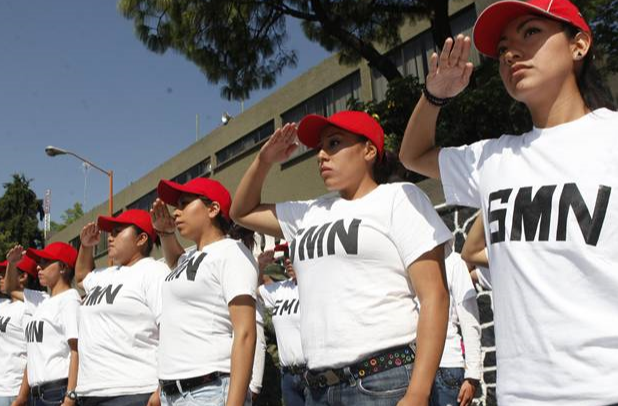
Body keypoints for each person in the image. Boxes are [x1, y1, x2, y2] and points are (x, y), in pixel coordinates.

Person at [398, 0, 618, 403]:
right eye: (502, 49)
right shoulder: (494, 158)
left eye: (530, 32)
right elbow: (412, 156)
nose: (511, 52)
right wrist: (435, 96)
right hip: (519, 394)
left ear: (579, 45)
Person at [231, 113, 452, 406]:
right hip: (318, 389)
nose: (322, 155)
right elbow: (241, 212)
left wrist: (418, 392)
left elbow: (435, 295)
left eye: (334, 144)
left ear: (369, 151)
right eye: (319, 148)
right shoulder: (308, 212)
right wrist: (264, 160)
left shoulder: (398, 198)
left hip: (385, 381)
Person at [151, 177, 258, 406]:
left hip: (209, 391)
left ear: (213, 209)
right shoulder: (189, 258)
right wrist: (166, 232)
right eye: (176, 206)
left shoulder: (232, 252)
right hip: (172, 393)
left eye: (184, 203)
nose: (176, 212)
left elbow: (245, 333)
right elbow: (175, 259)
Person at [74, 209, 168, 406]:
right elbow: (81, 277)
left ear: (141, 238)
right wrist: (85, 247)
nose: (110, 238)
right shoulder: (104, 274)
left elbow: (171, 329)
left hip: (133, 391)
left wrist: (162, 388)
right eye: (111, 233)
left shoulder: (154, 272)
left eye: (118, 232)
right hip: (89, 392)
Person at [4, 242, 80, 406]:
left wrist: (70, 396)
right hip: (36, 395)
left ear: (62, 267)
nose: (39, 267)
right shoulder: (41, 301)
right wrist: (11, 264)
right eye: (39, 263)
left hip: (57, 392)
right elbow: (10, 287)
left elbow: (76, 349)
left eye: (45, 262)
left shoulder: (69, 299)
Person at [0, 256, 39, 406]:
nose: (1, 278)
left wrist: (21, 396)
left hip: (11, 391)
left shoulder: (29, 308)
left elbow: (33, 353)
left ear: (23, 277)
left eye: (5, 273)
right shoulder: (2, 304)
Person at [428, 253, 481, 406]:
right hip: (408, 367)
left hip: (447, 366)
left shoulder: (454, 261)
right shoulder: (402, 258)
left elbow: (469, 319)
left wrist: (472, 375)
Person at [257, 244, 306, 406]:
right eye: (285, 256)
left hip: (314, 372)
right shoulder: (282, 289)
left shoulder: (316, 285)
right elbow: (252, 290)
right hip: (288, 375)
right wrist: (260, 267)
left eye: (293, 255)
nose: (288, 260)